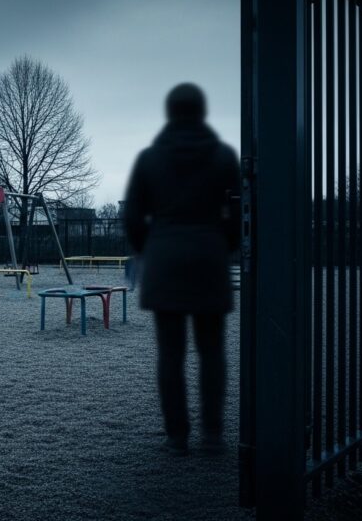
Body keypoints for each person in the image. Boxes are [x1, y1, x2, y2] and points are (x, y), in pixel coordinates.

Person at [123, 83, 240, 456]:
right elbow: (239, 214)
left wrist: (150, 248)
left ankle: (177, 435)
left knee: (170, 354)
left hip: (165, 258)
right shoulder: (223, 156)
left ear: (170, 112)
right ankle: (213, 434)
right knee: (212, 351)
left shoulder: (149, 158)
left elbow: (131, 218)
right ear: (202, 111)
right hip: (208, 256)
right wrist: (222, 244)